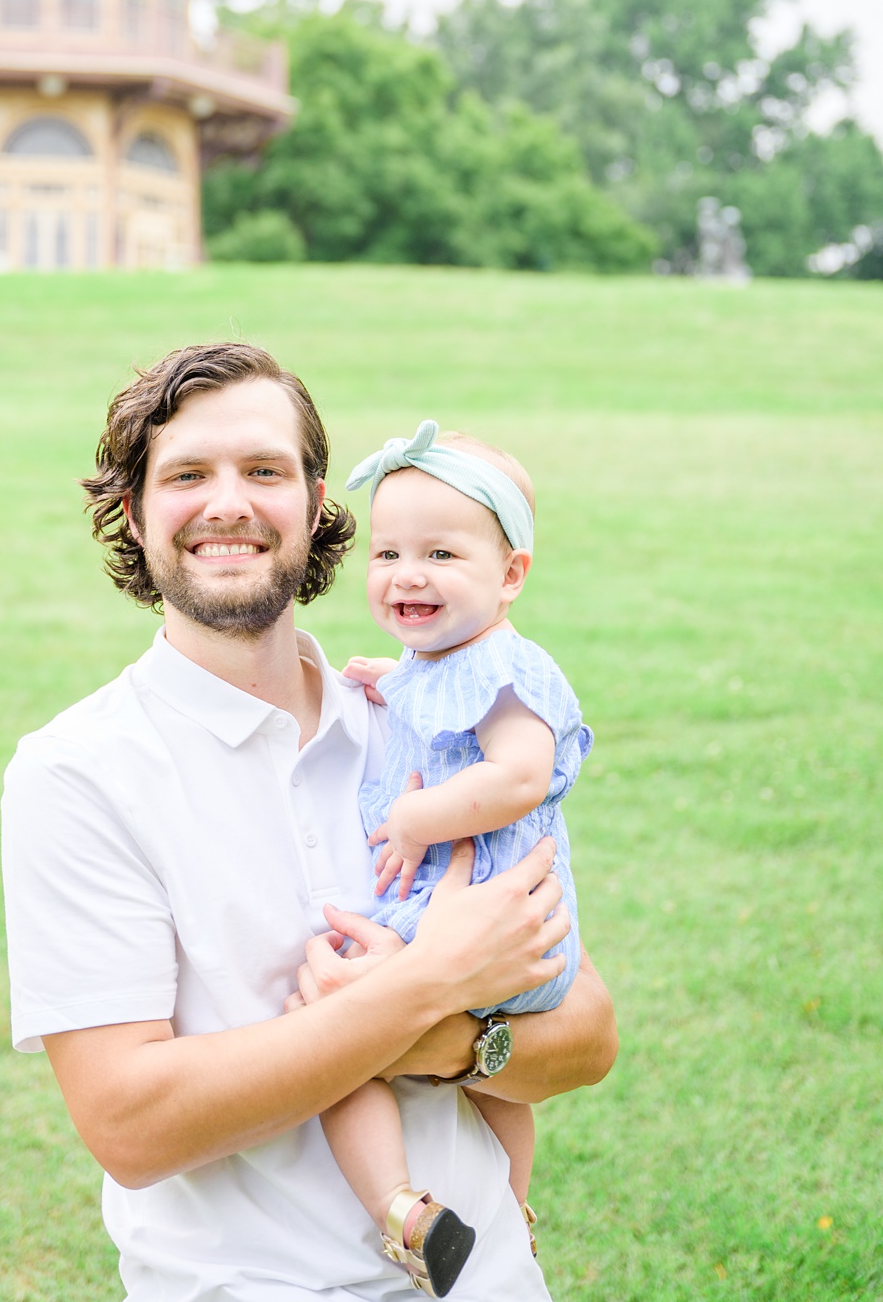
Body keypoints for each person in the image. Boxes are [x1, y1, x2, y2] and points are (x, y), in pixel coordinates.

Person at [1, 343, 617, 1300]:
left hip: (489, 1280)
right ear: (134, 510)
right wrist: (432, 982)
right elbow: (131, 1126)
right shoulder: (77, 773)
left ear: (317, 500)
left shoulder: (423, 724)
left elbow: (586, 1033)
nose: (229, 504)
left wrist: (452, 1037)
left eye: (264, 471)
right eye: (187, 475)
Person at [318, 423, 591, 1296]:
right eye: (388, 550)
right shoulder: (438, 660)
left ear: (511, 576)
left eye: (441, 552)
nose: (407, 573)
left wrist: (413, 818)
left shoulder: (511, 669)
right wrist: (385, 679)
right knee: (500, 1095)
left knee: (338, 1036)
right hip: (519, 936)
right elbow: (426, 699)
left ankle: (402, 1210)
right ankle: (514, 1211)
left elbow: (521, 773)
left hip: (483, 921)